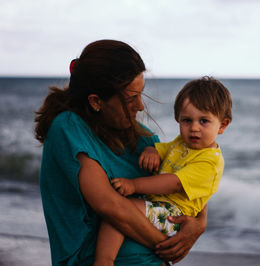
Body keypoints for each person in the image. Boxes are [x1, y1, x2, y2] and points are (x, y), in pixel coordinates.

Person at [34, 39, 207, 266]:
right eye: (130, 98)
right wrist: (169, 246)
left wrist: (200, 223)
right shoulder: (68, 129)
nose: (141, 106)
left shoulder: (144, 139)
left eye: (141, 94)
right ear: (96, 101)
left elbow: (187, 176)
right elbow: (110, 205)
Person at [94, 77, 232, 265]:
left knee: (121, 209)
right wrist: (152, 150)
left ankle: (104, 261)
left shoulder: (210, 162)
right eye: (186, 120)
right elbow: (165, 149)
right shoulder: (183, 143)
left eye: (204, 121)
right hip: (157, 205)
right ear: (178, 119)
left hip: (174, 216)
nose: (194, 128)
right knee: (118, 213)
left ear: (222, 125)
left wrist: (134, 185)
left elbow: (173, 183)